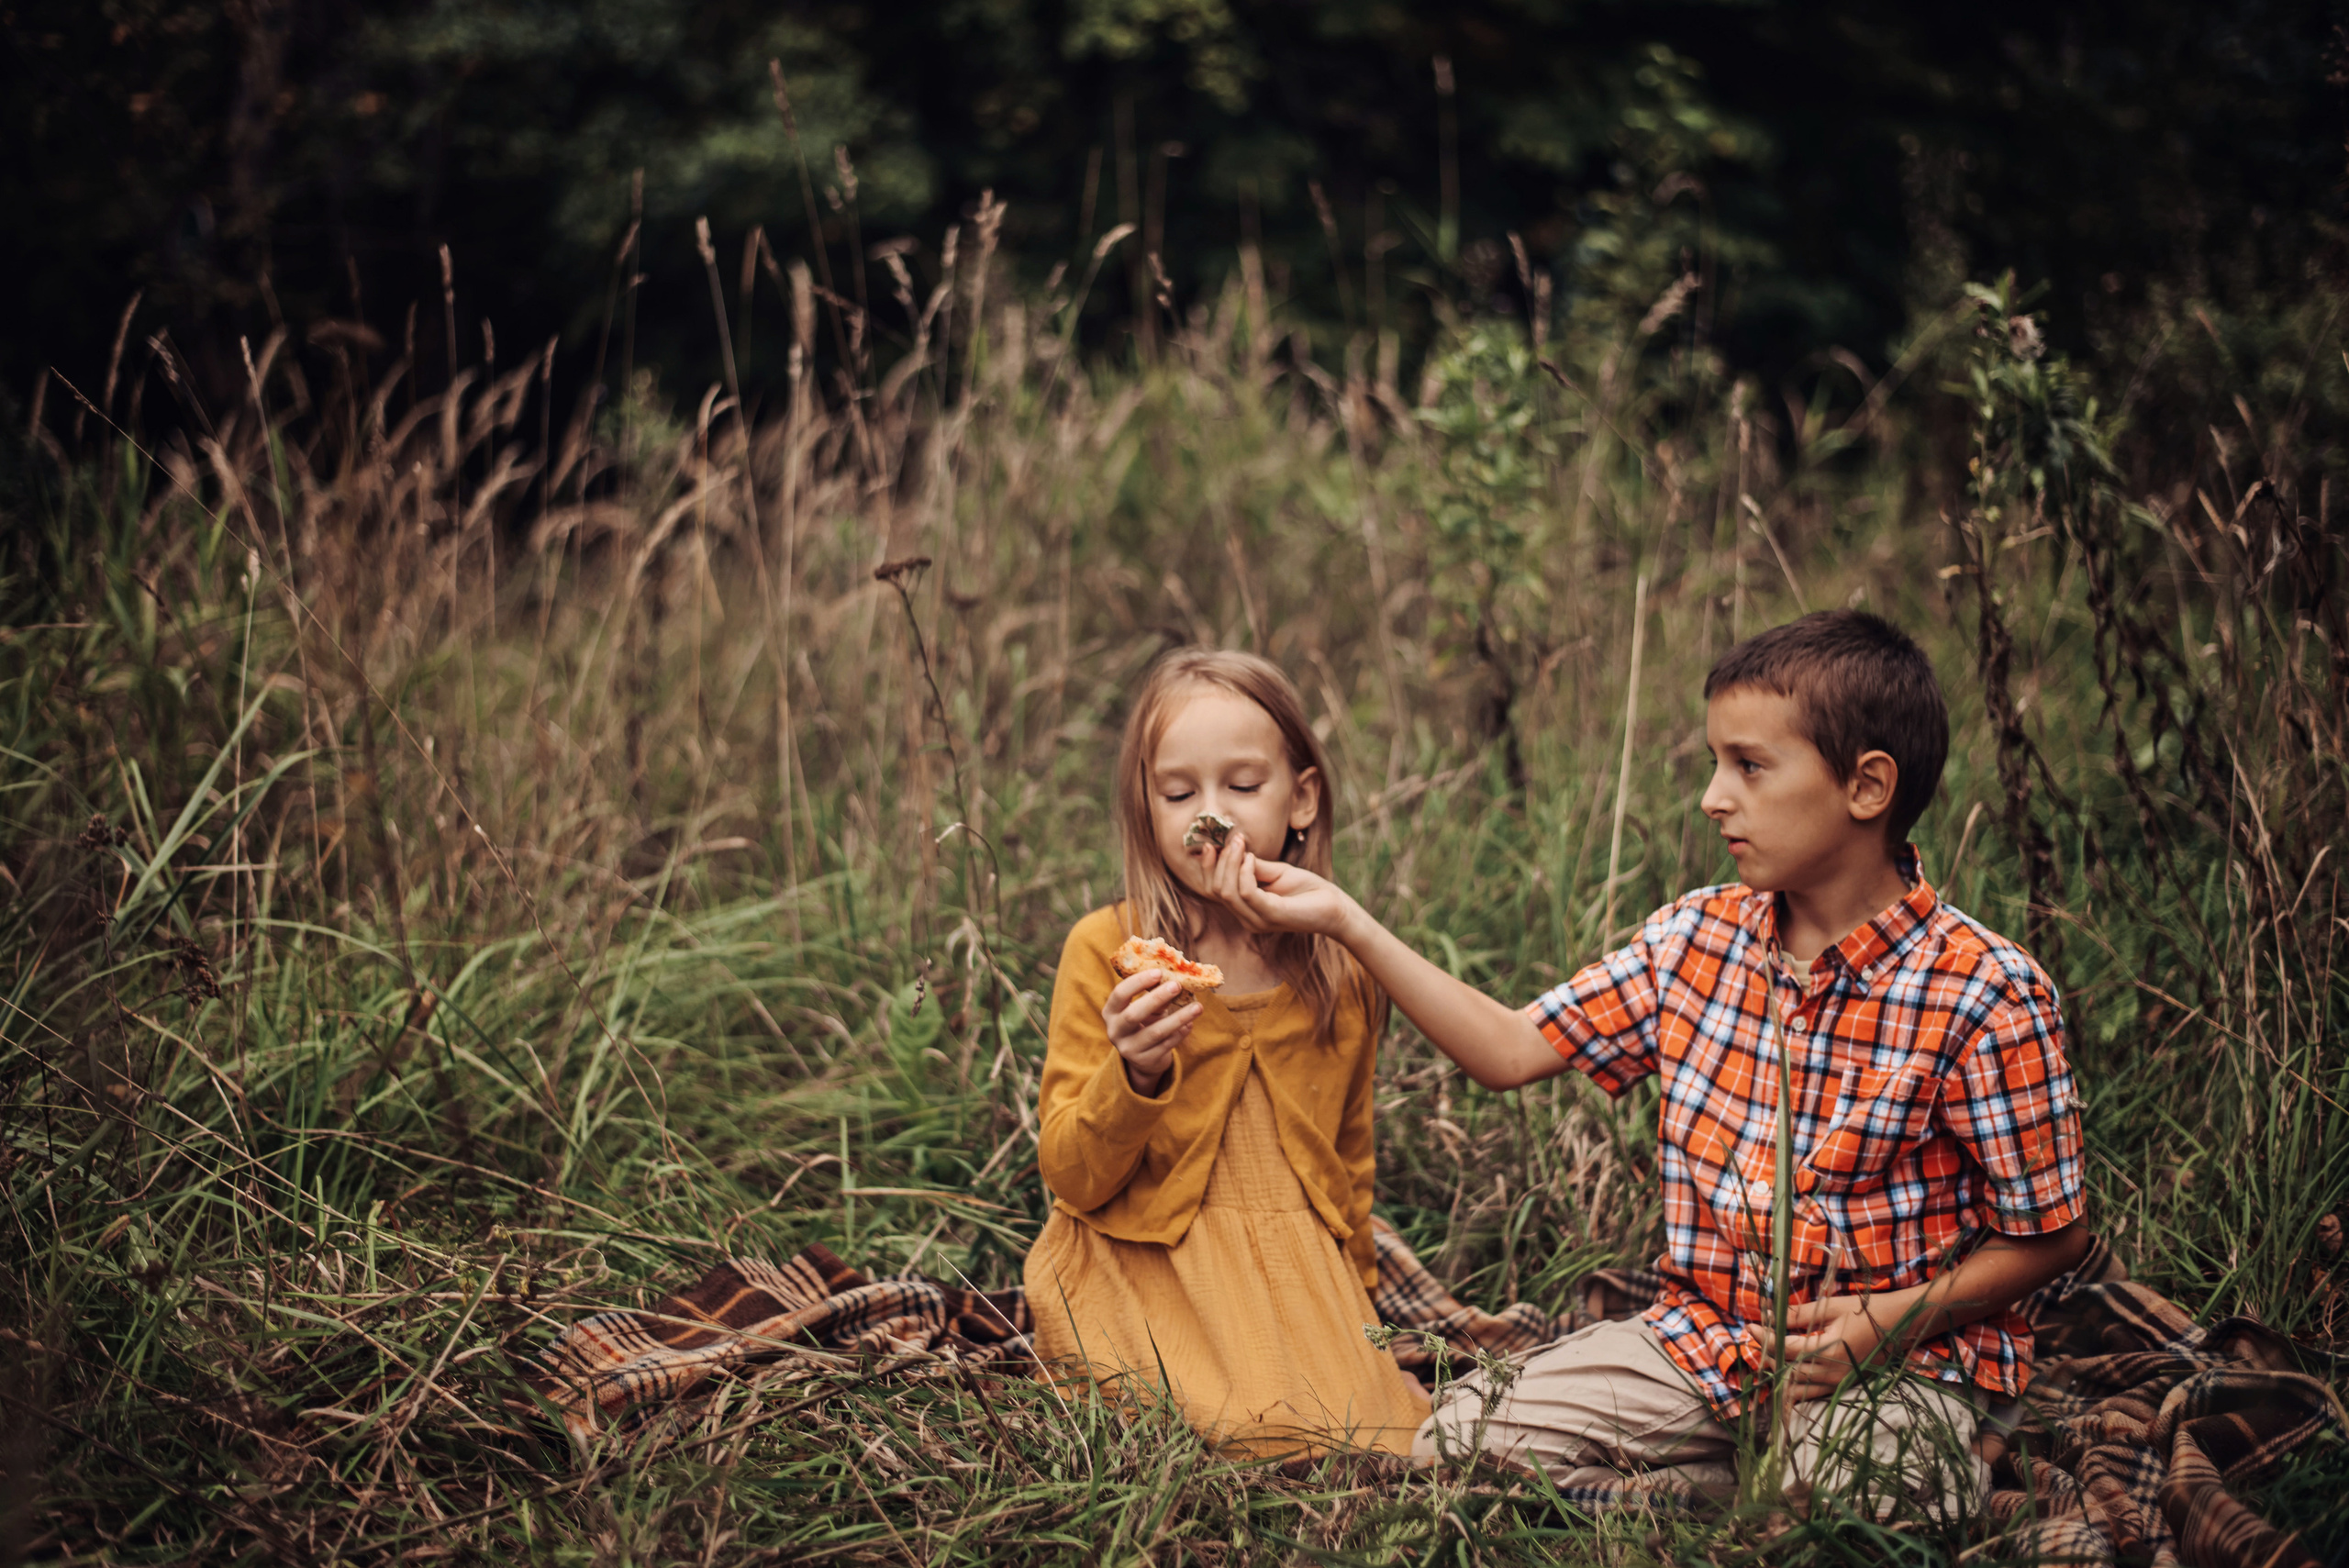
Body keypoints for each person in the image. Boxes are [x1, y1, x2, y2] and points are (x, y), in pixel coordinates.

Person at [1208, 611, 2090, 1515]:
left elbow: (2054, 1235)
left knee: (1839, 1500)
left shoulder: (1984, 993)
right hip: (1704, 1343)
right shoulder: (1693, 939)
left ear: (1866, 787)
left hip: (1895, 1360)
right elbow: (1510, 1049)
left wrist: (1892, 1317)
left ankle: (1847, 1468)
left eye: (1748, 766)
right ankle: (1723, 1487)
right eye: (1716, 762)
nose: (1713, 796)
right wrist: (1344, 919)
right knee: (1457, 1434)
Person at [1023, 648, 1430, 1456]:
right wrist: (1133, 1073)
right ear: (1147, 806)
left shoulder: (1340, 972)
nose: (1210, 815)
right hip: (1147, 1256)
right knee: (1228, 1425)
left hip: (1295, 1266)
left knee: (1376, 1435)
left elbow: (1348, 1167)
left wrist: (1369, 1326)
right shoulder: (1108, 948)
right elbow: (1071, 1174)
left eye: (1242, 787)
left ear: (1301, 797)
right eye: (1179, 792)